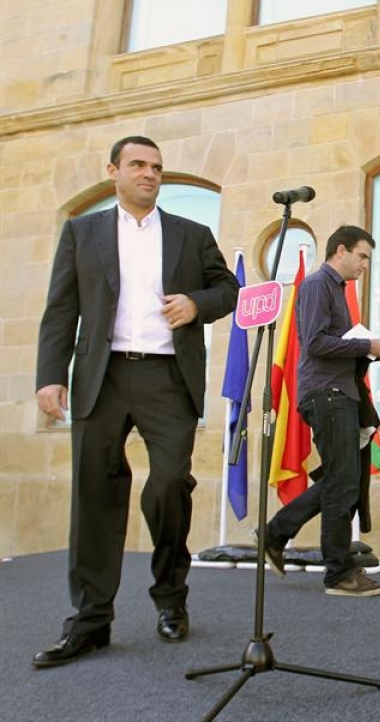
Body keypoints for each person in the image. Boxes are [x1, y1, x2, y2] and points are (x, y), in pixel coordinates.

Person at [33, 135, 239, 668]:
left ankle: (170, 598)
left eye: (157, 167)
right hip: (101, 377)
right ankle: (90, 620)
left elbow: (230, 290)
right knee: (96, 497)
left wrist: (197, 303)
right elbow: (61, 309)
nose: (149, 174)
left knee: (170, 484)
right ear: (114, 171)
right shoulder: (83, 231)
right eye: (138, 165)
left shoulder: (192, 234)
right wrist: (51, 376)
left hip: (168, 378)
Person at [259, 225, 380, 597]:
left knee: (342, 479)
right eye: (362, 256)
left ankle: (274, 534)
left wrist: (375, 350)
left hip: (341, 394)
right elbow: (317, 341)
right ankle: (337, 573)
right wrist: (368, 343)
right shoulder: (317, 284)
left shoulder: (335, 289)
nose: (365, 265)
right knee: (343, 482)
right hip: (327, 394)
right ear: (341, 250)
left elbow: (336, 343)